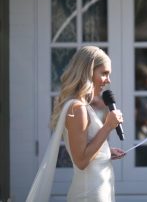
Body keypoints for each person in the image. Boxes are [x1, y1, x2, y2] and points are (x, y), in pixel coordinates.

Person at [27, 46, 125, 202]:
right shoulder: (77, 108)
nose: (108, 80)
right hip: (90, 194)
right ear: (88, 72)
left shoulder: (80, 106)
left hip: (99, 189)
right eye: (104, 73)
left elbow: (85, 148)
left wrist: (104, 151)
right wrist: (107, 127)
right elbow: (81, 161)